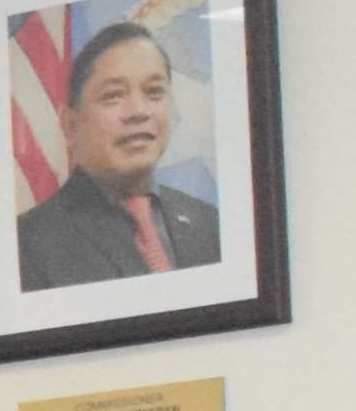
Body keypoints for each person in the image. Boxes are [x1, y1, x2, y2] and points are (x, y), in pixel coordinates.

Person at [13, 16, 223, 286]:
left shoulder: (210, 223)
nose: (138, 111)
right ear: (70, 124)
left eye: (154, 92)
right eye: (114, 95)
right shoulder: (28, 244)